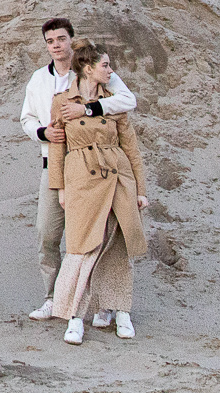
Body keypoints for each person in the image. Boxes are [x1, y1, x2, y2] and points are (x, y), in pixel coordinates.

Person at [19, 17, 135, 322]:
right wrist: (43, 133)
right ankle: (53, 298)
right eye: (50, 41)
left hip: (95, 165)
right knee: (48, 232)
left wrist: (89, 109)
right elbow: (27, 119)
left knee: (93, 235)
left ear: (72, 40)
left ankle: (97, 303)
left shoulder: (92, 69)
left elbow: (127, 100)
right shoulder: (39, 80)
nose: (56, 45)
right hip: (55, 164)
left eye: (61, 39)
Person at [45, 41, 149, 343]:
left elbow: (131, 147)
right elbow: (57, 147)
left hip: (117, 175)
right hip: (82, 177)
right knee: (81, 245)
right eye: (105, 65)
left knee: (117, 244)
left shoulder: (114, 101)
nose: (111, 70)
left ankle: (121, 311)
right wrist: (60, 187)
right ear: (88, 68)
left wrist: (140, 189)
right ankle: (75, 316)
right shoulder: (61, 101)